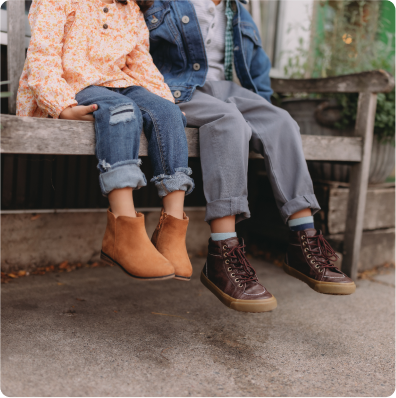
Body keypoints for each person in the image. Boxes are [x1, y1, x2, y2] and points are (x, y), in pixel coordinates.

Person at [145, 0, 356, 312]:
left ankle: (304, 240)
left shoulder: (238, 10)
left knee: (281, 121)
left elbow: (257, 75)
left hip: (230, 91)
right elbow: (133, 46)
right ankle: (222, 252)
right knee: (229, 123)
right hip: (176, 91)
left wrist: (264, 114)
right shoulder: (165, 3)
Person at [17, 0, 195, 282]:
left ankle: (171, 230)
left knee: (168, 114)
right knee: (122, 111)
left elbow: (142, 66)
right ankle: (123, 231)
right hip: (74, 86)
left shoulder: (131, 10)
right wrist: (62, 105)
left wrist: (167, 102)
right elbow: (43, 58)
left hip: (119, 83)